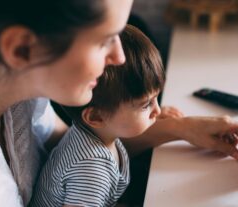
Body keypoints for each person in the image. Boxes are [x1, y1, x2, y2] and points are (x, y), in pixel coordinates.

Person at [0, 0, 238, 207]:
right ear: (21, 48)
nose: (118, 56)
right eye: (104, 40)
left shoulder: (8, 80)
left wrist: (176, 128)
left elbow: (64, 145)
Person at [30, 24, 167, 206]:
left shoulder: (97, 134)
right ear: (96, 118)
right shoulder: (91, 169)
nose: (157, 110)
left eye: (156, 98)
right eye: (146, 105)